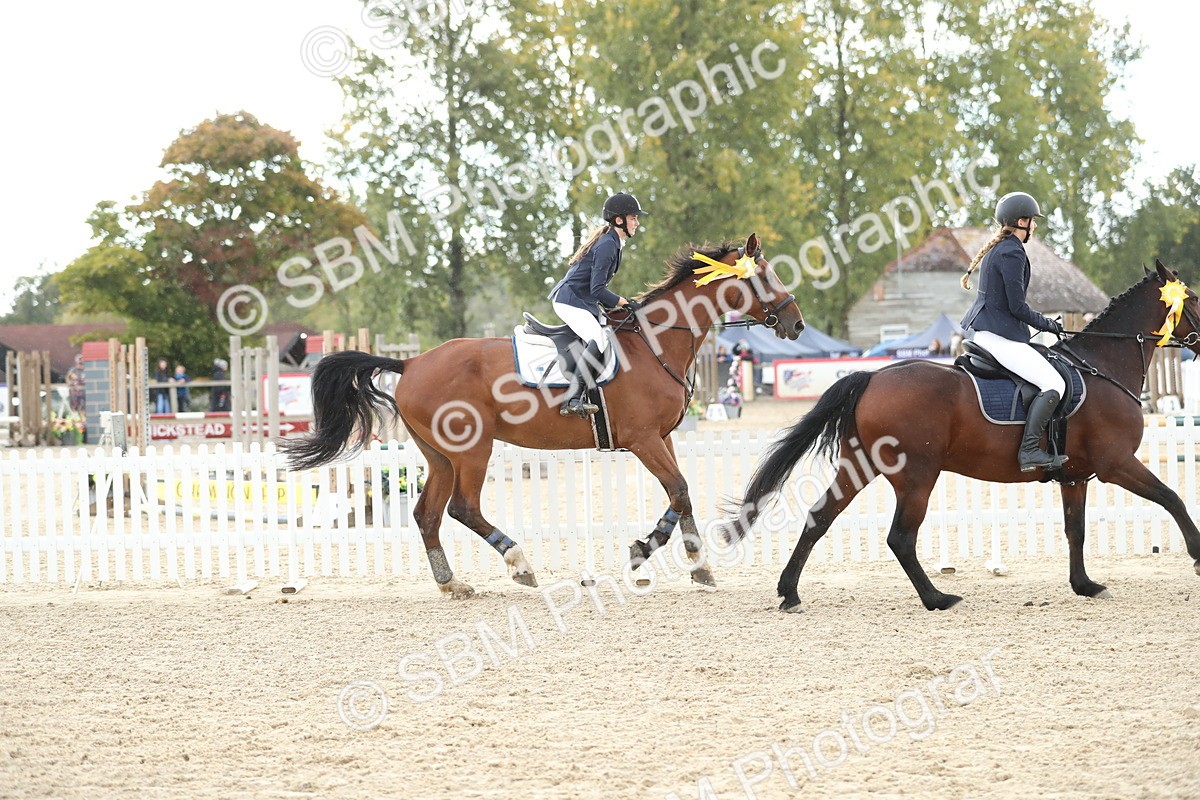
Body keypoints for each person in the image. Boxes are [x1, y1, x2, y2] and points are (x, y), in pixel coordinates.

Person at [960, 191, 1067, 472]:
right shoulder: (1011, 251)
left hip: (991, 331)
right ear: (1021, 221)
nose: (1034, 226)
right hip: (998, 338)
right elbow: (1018, 307)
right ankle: (1030, 451)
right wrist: (1048, 324)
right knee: (1055, 384)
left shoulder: (1004, 248)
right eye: (1032, 221)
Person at [548, 192, 648, 417]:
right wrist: (625, 302)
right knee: (598, 339)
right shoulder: (607, 245)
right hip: (570, 301)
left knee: (610, 333)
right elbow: (597, 289)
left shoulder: (614, 242)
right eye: (633, 218)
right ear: (619, 220)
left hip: (583, 301)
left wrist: (623, 306)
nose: (637, 222)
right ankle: (572, 399)